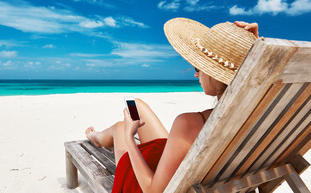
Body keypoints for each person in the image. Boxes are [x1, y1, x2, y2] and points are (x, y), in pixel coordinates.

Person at [85, 18, 259, 193]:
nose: (196, 75)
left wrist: (130, 137)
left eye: (197, 67)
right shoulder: (263, 117)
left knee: (121, 127)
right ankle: (99, 137)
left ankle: (98, 138)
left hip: (155, 185)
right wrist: (254, 50)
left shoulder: (189, 123)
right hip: (192, 173)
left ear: (216, 75)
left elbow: (153, 191)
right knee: (136, 105)